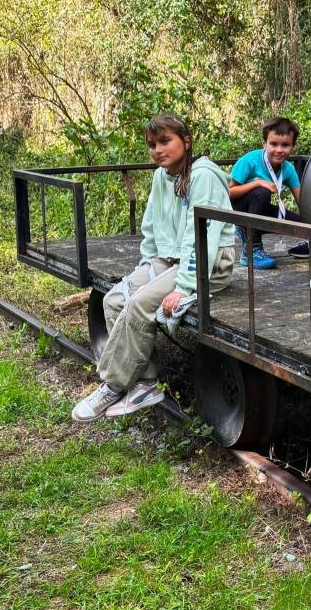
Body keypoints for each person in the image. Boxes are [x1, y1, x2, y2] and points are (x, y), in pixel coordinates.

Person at [71, 113, 236, 422]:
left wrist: (185, 287)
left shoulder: (203, 176)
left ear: (185, 142)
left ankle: (112, 384)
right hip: (170, 258)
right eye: (152, 145)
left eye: (165, 141)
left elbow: (202, 236)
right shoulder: (163, 175)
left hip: (208, 264)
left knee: (138, 305)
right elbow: (152, 224)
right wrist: (147, 266)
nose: (158, 150)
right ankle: (146, 382)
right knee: (114, 299)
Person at [229, 116, 308, 269]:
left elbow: (302, 200)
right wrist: (257, 183)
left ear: (293, 147)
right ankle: (252, 249)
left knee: (303, 223)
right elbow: (230, 192)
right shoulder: (250, 160)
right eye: (273, 144)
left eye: (285, 145)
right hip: (240, 211)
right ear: (264, 144)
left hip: (266, 209)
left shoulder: (288, 169)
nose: (279, 150)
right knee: (263, 192)